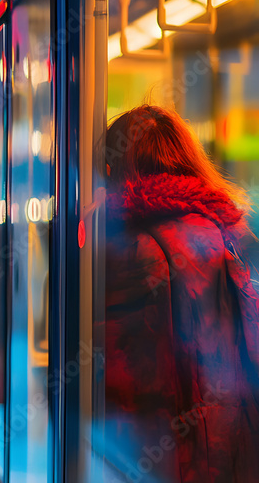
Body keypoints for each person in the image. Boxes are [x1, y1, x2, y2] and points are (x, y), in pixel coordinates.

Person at [103, 104, 259, 481]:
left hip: (150, 456)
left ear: (114, 169)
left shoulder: (126, 248)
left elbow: (101, 371)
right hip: (233, 446)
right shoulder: (228, 234)